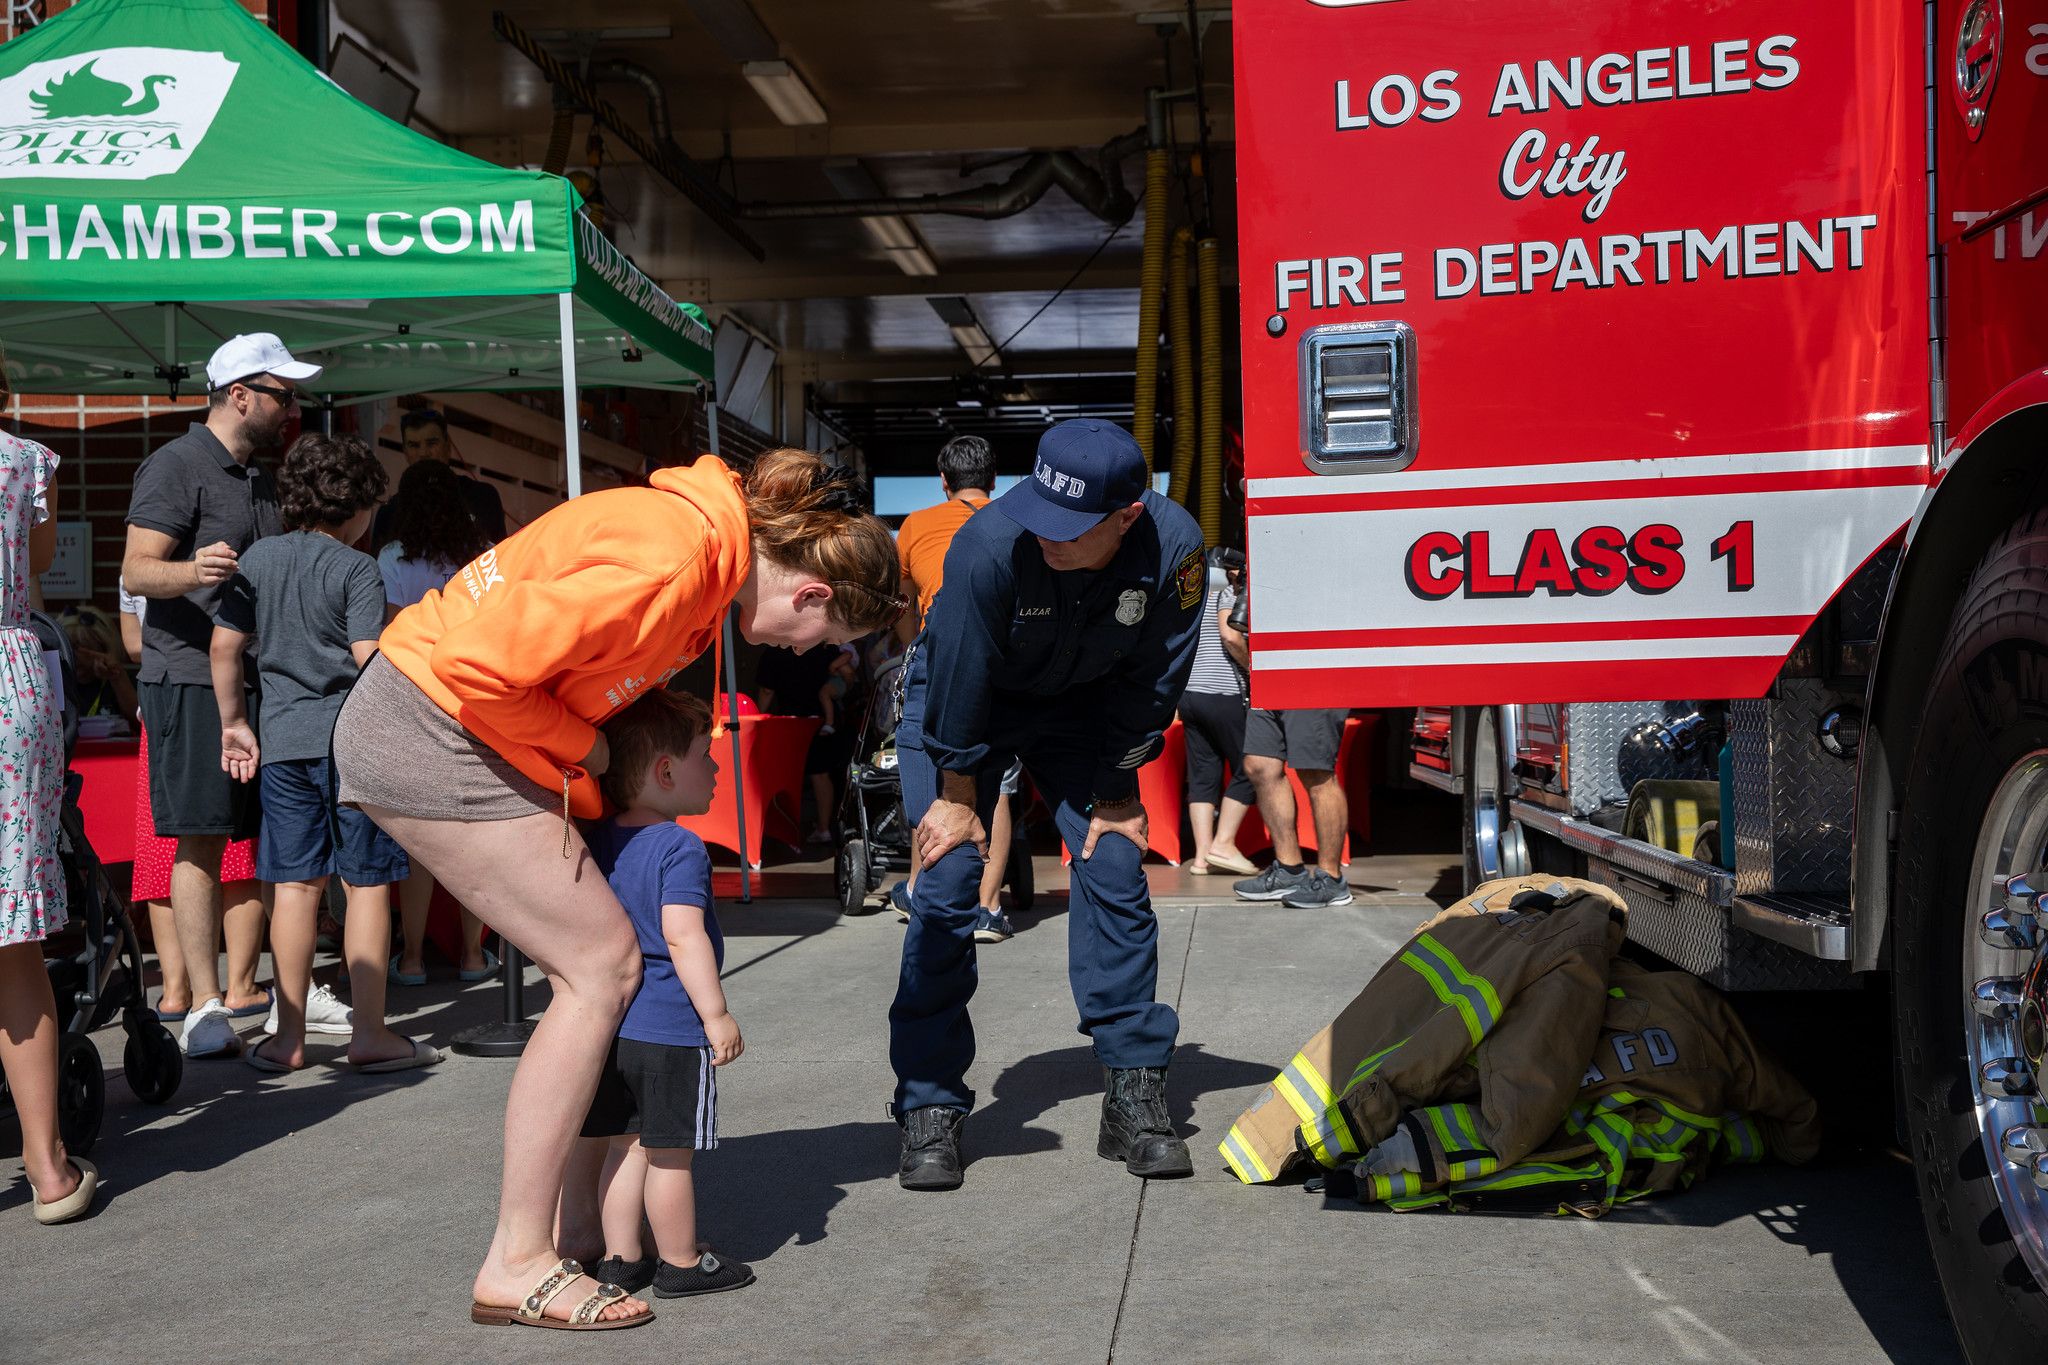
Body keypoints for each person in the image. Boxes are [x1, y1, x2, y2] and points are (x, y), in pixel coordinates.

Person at [332, 448, 901, 1330]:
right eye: (816, 638)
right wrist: (591, 755)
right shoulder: (675, 558)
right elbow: (483, 667)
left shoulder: (697, 557)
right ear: (812, 593)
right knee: (599, 965)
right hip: (431, 722)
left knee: (595, 967)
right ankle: (518, 1259)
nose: (799, 649)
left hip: (439, 716)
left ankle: (560, 1232)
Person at [891, 418, 1205, 1191]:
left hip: (1084, 710)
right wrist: (959, 797)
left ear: (1128, 515)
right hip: (966, 708)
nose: (1047, 535)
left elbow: (1155, 681)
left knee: (1118, 861)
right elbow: (959, 678)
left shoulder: (1174, 548)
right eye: (1039, 509)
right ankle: (929, 1102)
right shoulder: (989, 545)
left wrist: (1114, 790)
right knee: (947, 878)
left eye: (1071, 528)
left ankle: (1133, 1087)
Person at [211, 433, 433, 1075]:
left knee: (295, 886)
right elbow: (368, 659)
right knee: (365, 884)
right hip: (353, 742)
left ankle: (287, 1037)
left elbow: (225, 650)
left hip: (282, 743)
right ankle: (369, 1033)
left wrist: (235, 724)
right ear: (359, 507)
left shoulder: (258, 559)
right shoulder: (357, 567)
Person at [122, 333, 310, 1058]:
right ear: (240, 395)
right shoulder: (175, 465)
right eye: (282, 395)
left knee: (265, 839)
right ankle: (203, 1005)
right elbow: (137, 572)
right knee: (200, 836)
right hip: (192, 679)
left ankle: (271, 991)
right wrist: (193, 569)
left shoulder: (257, 475)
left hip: (258, 680)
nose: (292, 409)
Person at [573, 688, 755, 1299]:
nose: (717, 768)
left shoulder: (600, 840)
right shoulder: (680, 847)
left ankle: (622, 1259)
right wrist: (717, 1013)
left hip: (615, 1026)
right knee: (671, 1153)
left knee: (623, 1147)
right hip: (673, 1026)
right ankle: (680, 1261)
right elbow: (682, 936)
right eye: (707, 754)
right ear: (666, 771)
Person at [0, 423, 98, 1225]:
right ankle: (47, 1166)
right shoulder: (26, 459)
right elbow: (32, 567)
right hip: (10, 682)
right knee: (14, 934)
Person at [125, 574, 280, 1026]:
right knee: (237, 856)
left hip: (161, 705)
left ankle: (177, 991)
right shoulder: (229, 566)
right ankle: (241, 986)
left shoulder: (135, 570)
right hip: (218, 696)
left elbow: (133, 645)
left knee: (164, 852)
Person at [890, 434, 1020, 942]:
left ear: (943, 482)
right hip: (1001, 663)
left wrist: (915, 649)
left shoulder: (915, 525)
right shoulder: (1013, 522)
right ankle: (987, 908)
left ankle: (933, 899)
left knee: (938, 785)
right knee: (1000, 785)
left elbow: (903, 608)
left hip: (937, 658)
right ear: (992, 480)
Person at [378, 458, 497, 985]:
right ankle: (473, 955)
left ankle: (411, 959)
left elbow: (388, 635)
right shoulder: (484, 556)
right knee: (474, 833)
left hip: (416, 698)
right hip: (478, 700)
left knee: (422, 841)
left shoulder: (393, 557)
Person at [1226, 587, 1352, 907]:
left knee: (1316, 770)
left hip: (1314, 659)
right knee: (1259, 765)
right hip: (1271, 661)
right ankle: (1289, 870)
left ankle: (1331, 878)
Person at [1180, 553, 1255, 876]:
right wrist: (1254, 669)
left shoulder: (1193, 599)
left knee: (1202, 776)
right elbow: (1230, 635)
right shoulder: (1230, 595)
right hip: (1223, 694)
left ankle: (1201, 858)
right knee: (1252, 768)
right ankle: (1222, 845)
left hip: (1191, 695)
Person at [370, 407, 507, 548]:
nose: (423, 453)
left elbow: (504, 559)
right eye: (414, 445)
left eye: (431, 443)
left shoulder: (483, 496)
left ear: (448, 447)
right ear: (405, 452)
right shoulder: (390, 512)